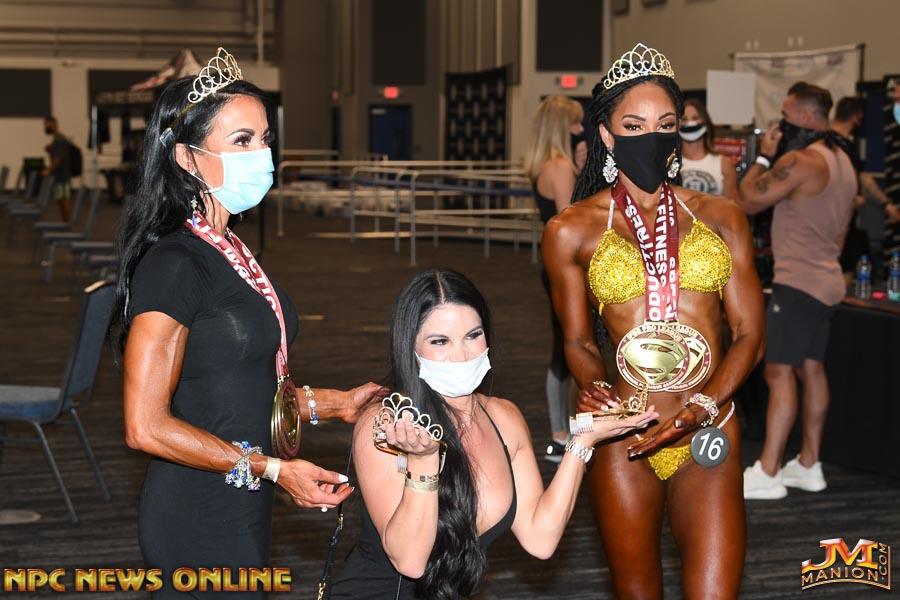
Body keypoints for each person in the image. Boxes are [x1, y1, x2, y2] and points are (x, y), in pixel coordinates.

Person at [112, 48, 384, 597]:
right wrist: (273, 469)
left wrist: (332, 404)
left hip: (241, 497)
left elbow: (233, 385)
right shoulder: (175, 263)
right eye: (242, 141)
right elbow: (145, 425)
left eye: (264, 139)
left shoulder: (229, 247)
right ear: (187, 158)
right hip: (196, 507)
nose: (261, 154)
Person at [541, 43, 765, 598]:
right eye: (634, 125)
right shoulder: (570, 230)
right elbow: (577, 339)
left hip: (709, 425)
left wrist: (705, 404)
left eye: (666, 124)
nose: (653, 136)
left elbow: (750, 334)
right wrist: (592, 383)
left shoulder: (723, 216)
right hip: (626, 432)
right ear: (607, 135)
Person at [330, 269, 657, 599]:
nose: (462, 354)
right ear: (410, 347)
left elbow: (540, 538)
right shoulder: (387, 423)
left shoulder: (504, 418)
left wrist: (582, 441)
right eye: (440, 341)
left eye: (473, 335)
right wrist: (424, 461)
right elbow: (411, 561)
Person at [738, 82, 856, 500]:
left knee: (778, 372)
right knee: (811, 368)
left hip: (798, 284)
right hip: (827, 281)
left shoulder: (800, 161)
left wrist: (764, 155)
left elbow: (749, 200)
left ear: (806, 116)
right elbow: (842, 233)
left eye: (786, 115)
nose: (782, 123)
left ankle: (769, 470)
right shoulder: (843, 161)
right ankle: (808, 464)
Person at [523, 95, 587, 462]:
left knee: (566, 347)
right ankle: (561, 436)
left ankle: (561, 433)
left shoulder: (548, 165)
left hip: (557, 267)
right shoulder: (560, 167)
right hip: (566, 268)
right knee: (568, 349)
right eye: (576, 122)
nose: (581, 128)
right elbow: (572, 222)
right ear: (563, 126)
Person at [831, 96, 900, 280]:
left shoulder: (848, 145)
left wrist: (886, 205)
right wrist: (848, 199)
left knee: (848, 268)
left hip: (847, 224)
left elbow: (863, 178)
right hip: (830, 224)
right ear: (856, 116)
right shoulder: (829, 144)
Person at [679, 98, 741, 201]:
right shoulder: (670, 163)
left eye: (695, 118)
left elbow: (733, 205)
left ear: (706, 123)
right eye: (684, 119)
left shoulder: (724, 164)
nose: (690, 123)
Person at [41, 116, 72, 222]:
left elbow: (58, 158)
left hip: (63, 177)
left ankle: (67, 224)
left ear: (53, 124)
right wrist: (50, 149)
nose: (45, 127)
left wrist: (49, 170)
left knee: (65, 201)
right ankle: (65, 222)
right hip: (59, 176)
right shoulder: (57, 139)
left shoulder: (60, 140)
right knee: (60, 201)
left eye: (46, 125)